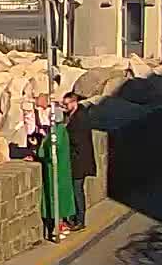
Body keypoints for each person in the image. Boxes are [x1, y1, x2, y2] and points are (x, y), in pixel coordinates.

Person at [30, 94, 76, 241]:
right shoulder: (63, 130)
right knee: (62, 198)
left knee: (55, 198)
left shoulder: (56, 133)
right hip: (64, 170)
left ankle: (57, 227)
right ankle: (62, 224)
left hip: (53, 171)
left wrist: (37, 150)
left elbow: (47, 150)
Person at [62, 93, 93, 233]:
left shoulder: (79, 118)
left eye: (67, 104)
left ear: (74, 102)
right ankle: (78, 218)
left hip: (79, 161)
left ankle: (80, 220)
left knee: (77, 191)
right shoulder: (79, 114)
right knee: (78, 190)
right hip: (80, 160)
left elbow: (76, 139)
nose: (65, 107)